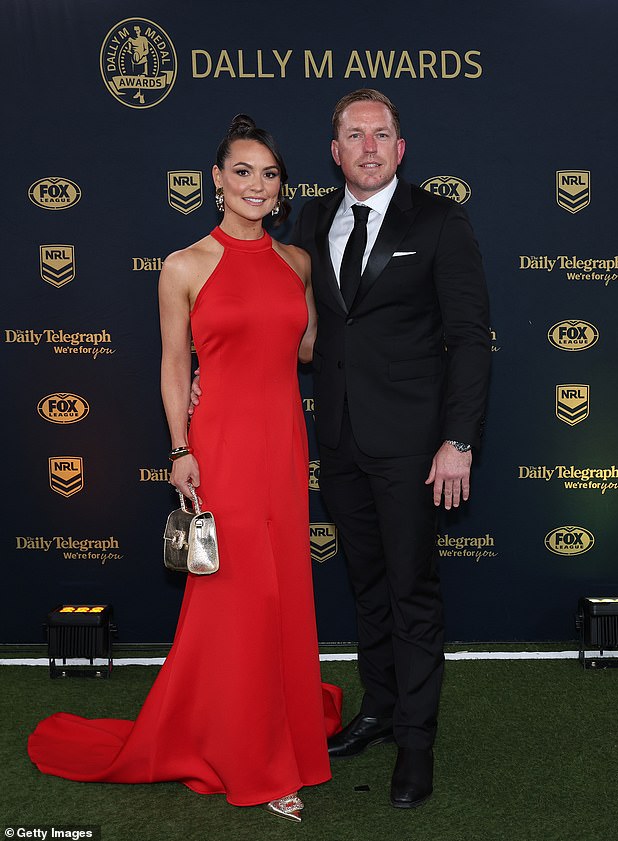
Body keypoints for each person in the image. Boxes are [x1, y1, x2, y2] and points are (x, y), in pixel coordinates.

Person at [27, 115, 341, 824]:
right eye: (243, 171)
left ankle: (279, 733)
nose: (257, 185)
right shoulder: (185, 263)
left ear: (282, 187)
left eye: (269, 174)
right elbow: (174, 366)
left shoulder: (297, 263)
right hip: (222, 445)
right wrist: (180, 447)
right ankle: (251, 760)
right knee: (238, 597)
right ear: (217, 180)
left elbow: (311, 346)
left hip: (286, 444)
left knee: (284, 591)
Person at [293, 89, 491, 808]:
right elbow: (278, 312)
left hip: (415, 446)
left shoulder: (439, 219)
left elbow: (470, 339)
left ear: (400, 150)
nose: (369, 146)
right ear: (335, 151)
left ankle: (416, 740)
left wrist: (458, 440)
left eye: (382, 134)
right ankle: (377, 709)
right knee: (367, 584)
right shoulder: (312, 218)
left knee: (411, 591)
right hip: (340, 438)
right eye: (355, 134)